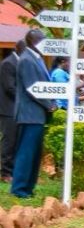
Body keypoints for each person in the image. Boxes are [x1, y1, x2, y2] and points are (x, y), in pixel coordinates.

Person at [9, 29, 56, 198]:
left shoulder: (37, 58)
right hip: (30, 114)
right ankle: (19, 189)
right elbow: (33, 88)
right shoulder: (27, 60)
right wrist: (49, 104)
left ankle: (28, 187)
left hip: (37, 114)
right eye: (43, 40)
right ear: (35, 42)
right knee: (26, 152)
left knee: (34, 154)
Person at [1, 40, 26, 182]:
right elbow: (10, 88)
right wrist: (27, 97)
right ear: (16, 48)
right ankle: (5, 173)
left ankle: (14, 171)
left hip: (18, 109)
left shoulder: (21, 62)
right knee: (9, 141)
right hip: (8, 109)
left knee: (17, 141)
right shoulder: (8, 63)